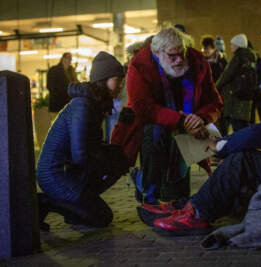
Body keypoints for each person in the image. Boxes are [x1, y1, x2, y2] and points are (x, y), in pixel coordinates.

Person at [152, 72, 261, 235]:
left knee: (242, 160)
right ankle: (187, 206)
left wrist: (220, 146)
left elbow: (257, 133)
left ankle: (196, 213)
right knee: (242, 159)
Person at [110, 27, 223, 208]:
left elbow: (215, 102)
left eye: (182, 54)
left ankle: (173, 196)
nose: (179, 60)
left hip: (188, 128)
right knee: (156, 138)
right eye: (172, 56)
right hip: (153, 125)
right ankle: (149, 193)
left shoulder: (197, 62)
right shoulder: (139, 65)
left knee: (177, 195)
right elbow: (143, 107)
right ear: (157, 52)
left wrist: (201, 117)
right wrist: (182, 120)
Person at [37, 51, 129, 231]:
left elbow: (90, 148)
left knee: (118, 160)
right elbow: (81, 154)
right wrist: (107, 160)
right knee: (102, 217)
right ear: (103, 79)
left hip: (67, 172)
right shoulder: (83, 105)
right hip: (55, 175)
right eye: (117, 79)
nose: (121, 85)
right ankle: (46, 202)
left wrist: (114, 158)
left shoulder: (94, 103)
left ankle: (76, 207)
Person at [216, 33, 257, 135]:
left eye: (233, 44)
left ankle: (240, 149)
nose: (231, 47)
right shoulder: (251, 58)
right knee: (244, 126)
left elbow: (227, 75)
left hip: (236, 97)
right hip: (246, 98)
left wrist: (216, 87)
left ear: (238, 45)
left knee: (237, 127)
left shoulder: (238, 57)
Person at [248, 41, 261, 123]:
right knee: (260, 115)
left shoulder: (257, 60)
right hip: (257, 90)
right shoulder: (258, 59)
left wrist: (255, 86)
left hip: (258, 91)